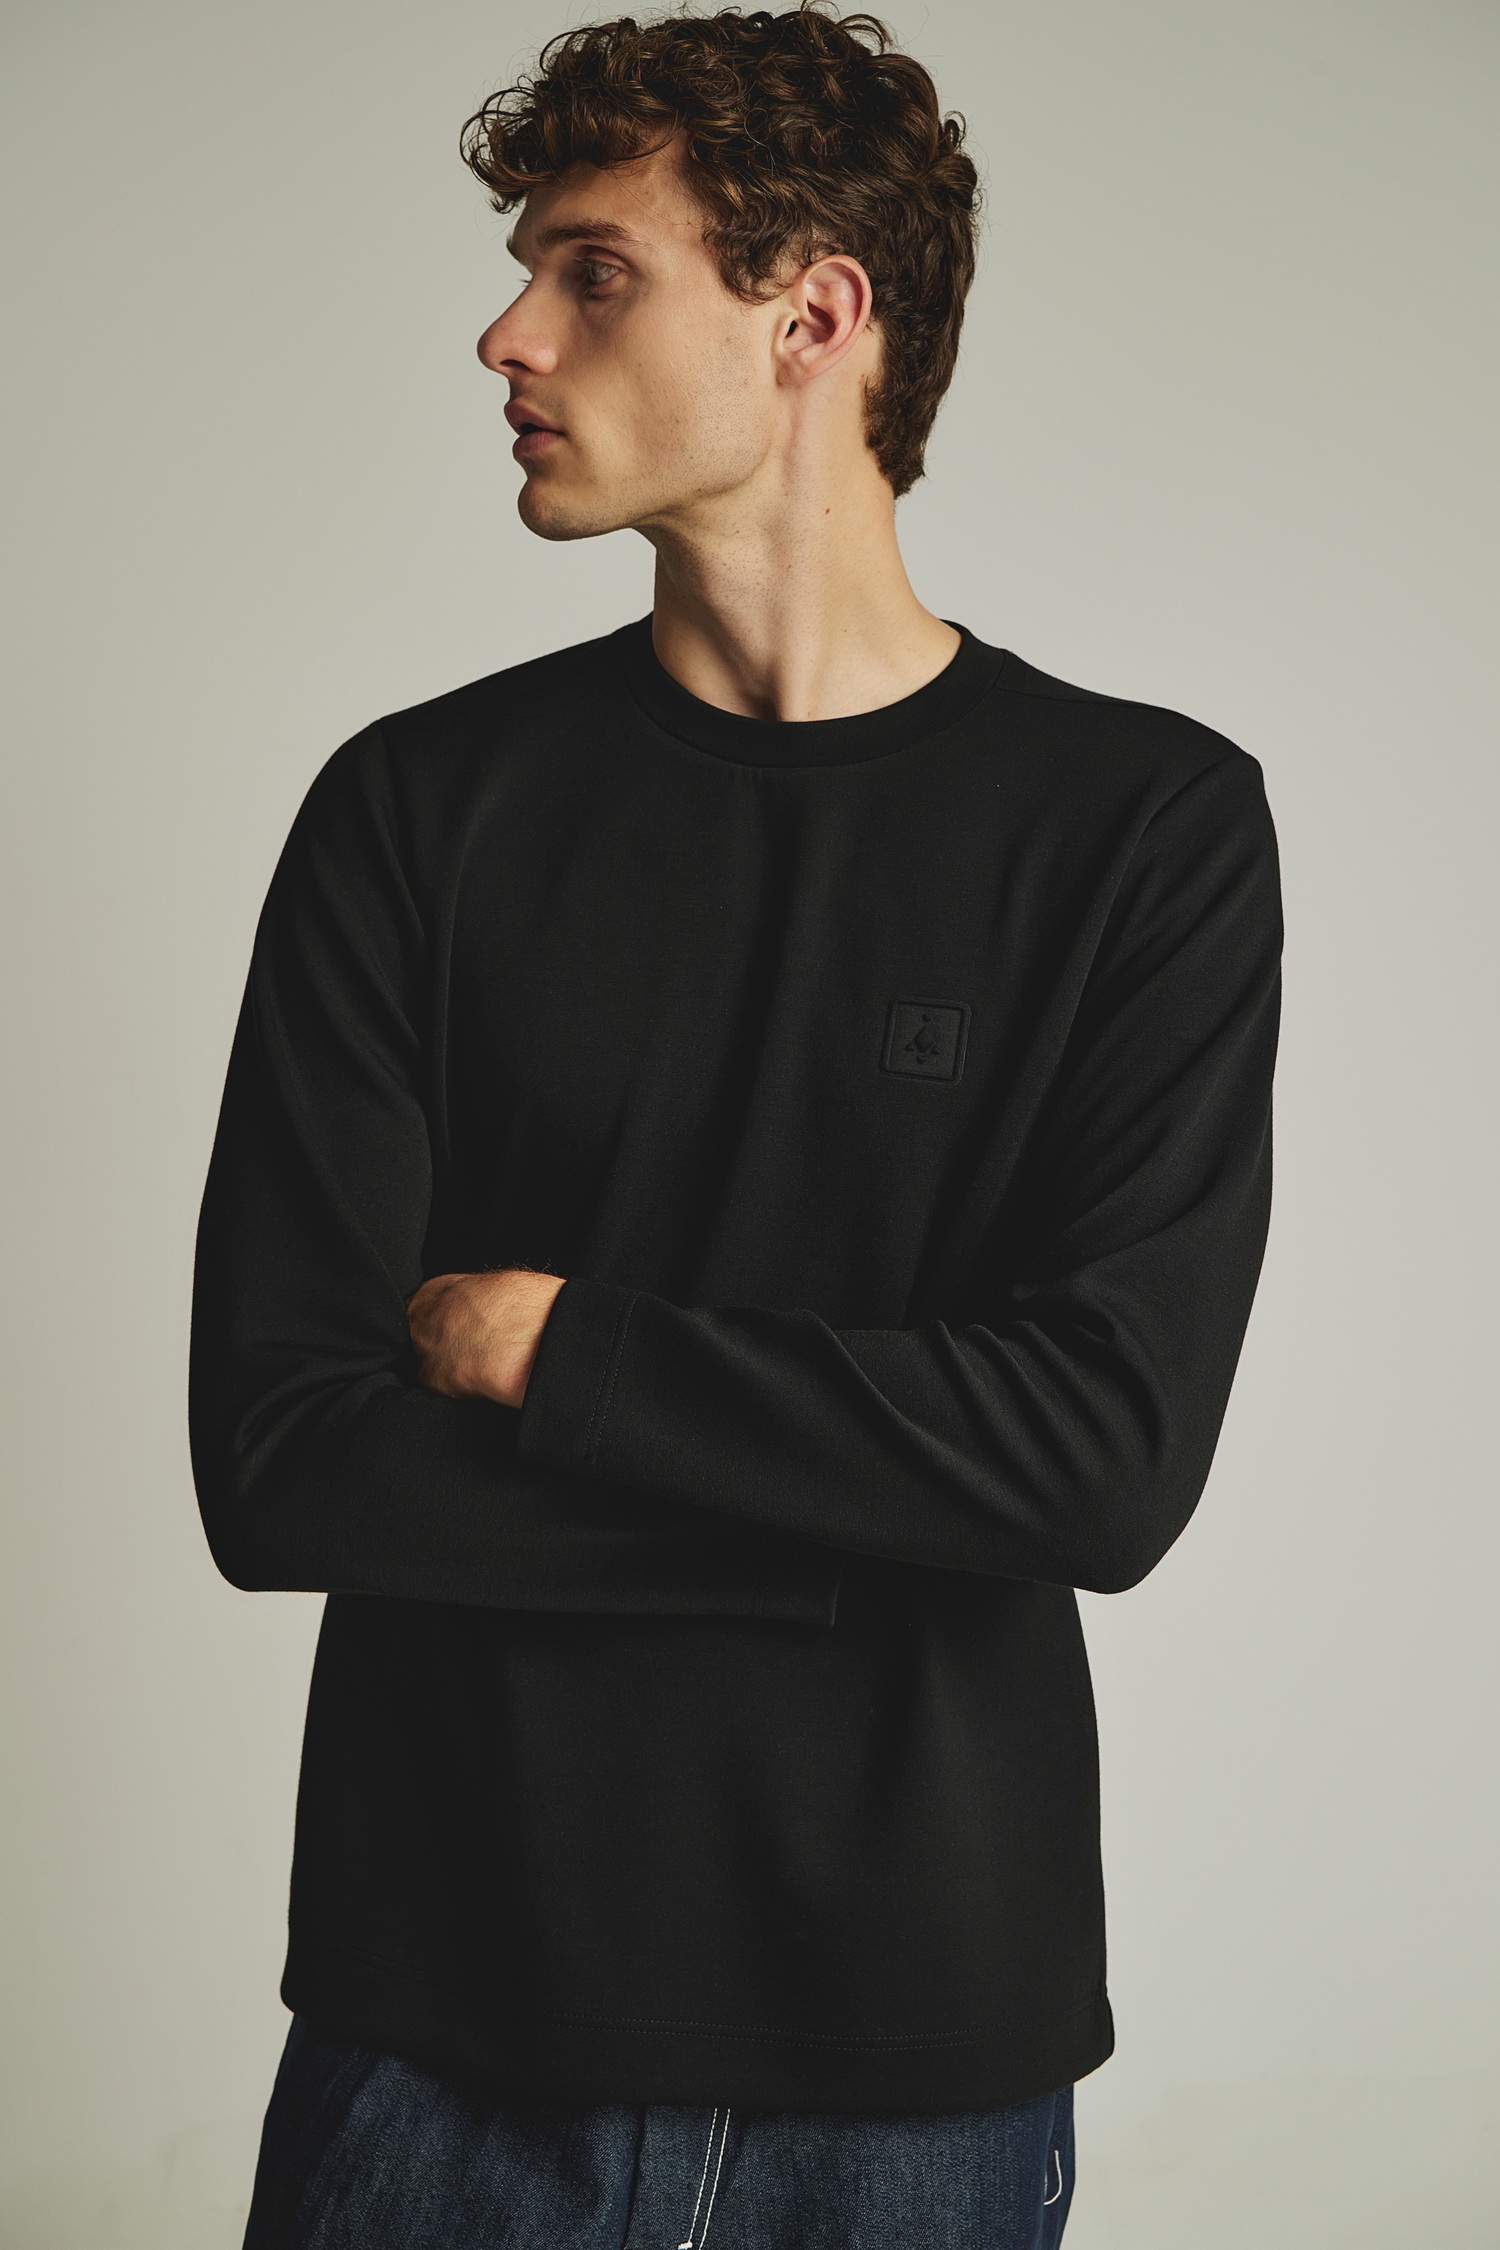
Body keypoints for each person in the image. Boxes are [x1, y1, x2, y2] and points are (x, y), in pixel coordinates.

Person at [189, 6, 1282, 2244]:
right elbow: (282, 1460)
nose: (508, 334)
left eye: (594, 271)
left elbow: (1102, 1458)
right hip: (444, 2036)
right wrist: (865, 1519)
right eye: (527, 270)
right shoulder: (416, 811)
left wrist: (559, 1347)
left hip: (917, 2066)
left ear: (813, 315)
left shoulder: (1143, 828)